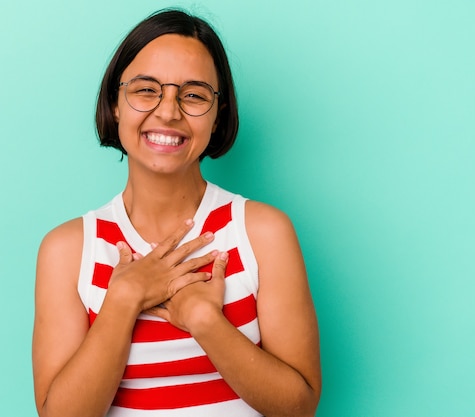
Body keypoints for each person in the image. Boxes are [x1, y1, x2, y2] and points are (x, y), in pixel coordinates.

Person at [32, 9, 321, 417]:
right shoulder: (67, 249)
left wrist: (206, 322)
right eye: (146, 90)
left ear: (218, 116)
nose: (168, 112)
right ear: (115, 104)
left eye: (194, 95)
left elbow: (299, 407)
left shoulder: (262, 232)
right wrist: (125, 298)